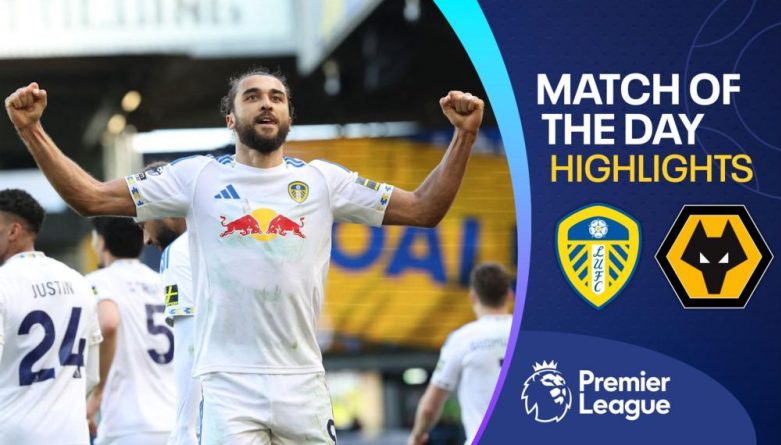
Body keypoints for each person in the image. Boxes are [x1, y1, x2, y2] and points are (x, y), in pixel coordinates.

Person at [5, 69, 485, 444]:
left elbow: (424, 209)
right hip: (226, 386)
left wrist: (464, 135)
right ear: (231, 119)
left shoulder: (324, 181)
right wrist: (32, 130)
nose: (266, 103)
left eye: (277, 97)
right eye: (252, 96)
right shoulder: (196, 177)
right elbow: (90, 198)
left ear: (289, 117)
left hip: (303, 381)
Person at [0, 188, 103, 444]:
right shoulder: (79, 282)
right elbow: (92, 375)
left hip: (14, 434)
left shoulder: (4, 284)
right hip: (72, 434)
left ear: (13, 231)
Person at [85, 217, 176, 445]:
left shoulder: (98, 281)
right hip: (175, 420)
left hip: (128, 424)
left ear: (101, 242)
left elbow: (108, 322)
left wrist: (97, 392)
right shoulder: (164, 282)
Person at [407, 263, 513, 445]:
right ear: (509, 295)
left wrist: (417, 436)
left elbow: (430, 408)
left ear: (473, 297)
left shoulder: (462, 339)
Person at [139, 198, 201, 445]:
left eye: (144, 224)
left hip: (232, 411)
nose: (146, 239)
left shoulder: (180, 250)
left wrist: (185, 427)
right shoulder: (238, 234)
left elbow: (190, 344)